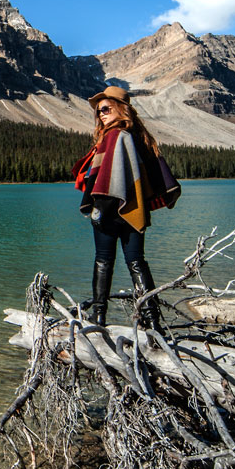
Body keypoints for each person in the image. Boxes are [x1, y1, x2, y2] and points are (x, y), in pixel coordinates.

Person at [71, 86, 171, 332]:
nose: (101, 114)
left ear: (119, 108)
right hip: (134, 209)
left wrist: (97, 211)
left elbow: (102, 178)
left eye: (105, 109)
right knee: (137, 263)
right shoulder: (139, 137)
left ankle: (99, 317)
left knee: (103, 261)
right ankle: (153, 320)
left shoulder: (114, 137)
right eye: (98, 111)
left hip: (109, 211)